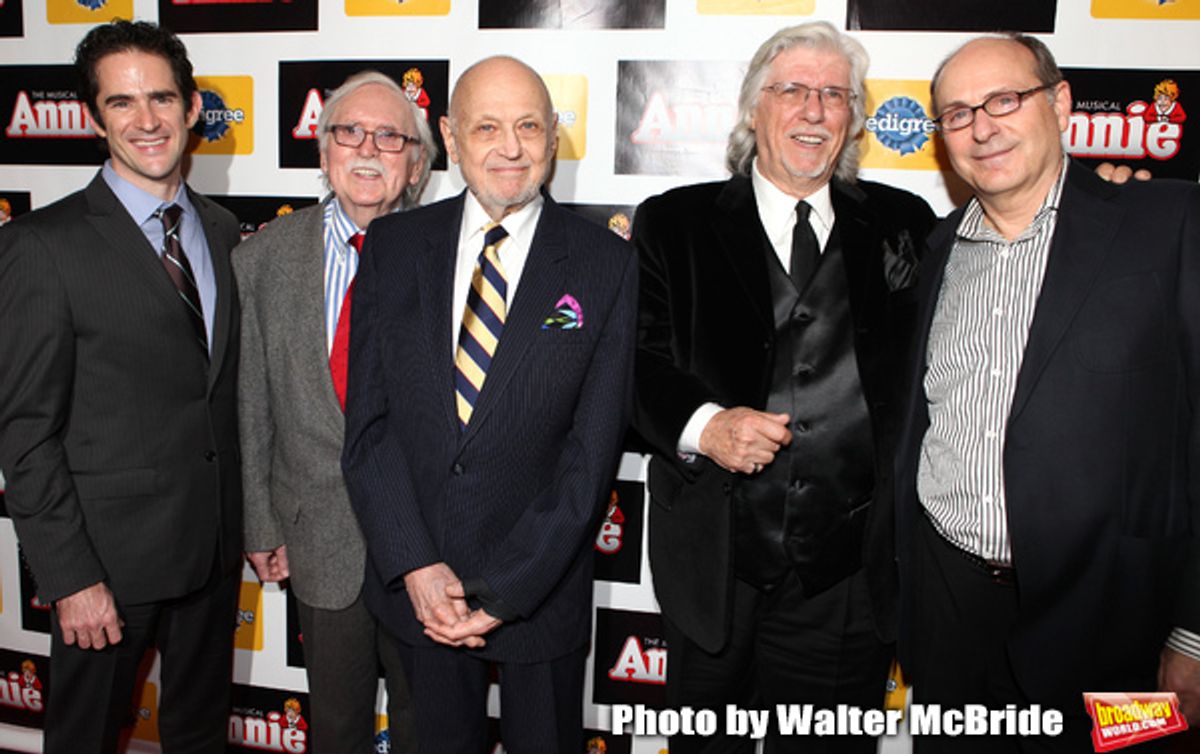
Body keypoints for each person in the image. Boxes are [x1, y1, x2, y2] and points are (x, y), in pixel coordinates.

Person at [631, 21, 936, 753]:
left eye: (835, 94)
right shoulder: (674, 222)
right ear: (752, 108)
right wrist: (705, 426)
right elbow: (633, 365)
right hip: (715, 569)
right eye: (793, 89)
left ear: (855, 119)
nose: (814, 109)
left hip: (845, 580)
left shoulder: (905, 223)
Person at [894, 33, 1200, 751]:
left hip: (1114, 621)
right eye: (958, 113)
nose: (982, 127)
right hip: (949, 615)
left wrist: (1192, 630)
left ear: (1059, 102)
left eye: (1004, 100)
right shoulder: (935, 251)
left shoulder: (1169, 224)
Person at [340, 55, 637, 751]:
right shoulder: (393, 245)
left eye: (529, 125)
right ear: (448, 136)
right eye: (487, 127)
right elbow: (370, 430)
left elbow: (591, 457)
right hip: (424, 595)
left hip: (541, 592)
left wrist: (505, 590)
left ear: (553, 138)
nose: (511, 147)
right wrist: (415, 565)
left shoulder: (605, 263)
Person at [0, 20, 242, 753]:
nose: (147, 120)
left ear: (192, 107)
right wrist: (71, 576)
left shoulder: (225, 231)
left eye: (162, 98)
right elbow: (25, 429)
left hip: (213, 548)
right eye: (123, 102)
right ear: (94, 117)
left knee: (197, 734)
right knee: (88, 737)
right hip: (106, 563)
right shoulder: (43, 245)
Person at [234, 70, 434, 754]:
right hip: (317, 537)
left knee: (426, 723)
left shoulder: (452, 256)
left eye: (390, 136)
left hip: (428, 545)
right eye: (349, 133)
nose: (367, 149)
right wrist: (259, 520)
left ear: (415, 164)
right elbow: (251, 399)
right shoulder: (262, 259)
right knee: (337, 727)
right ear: (324, 153)